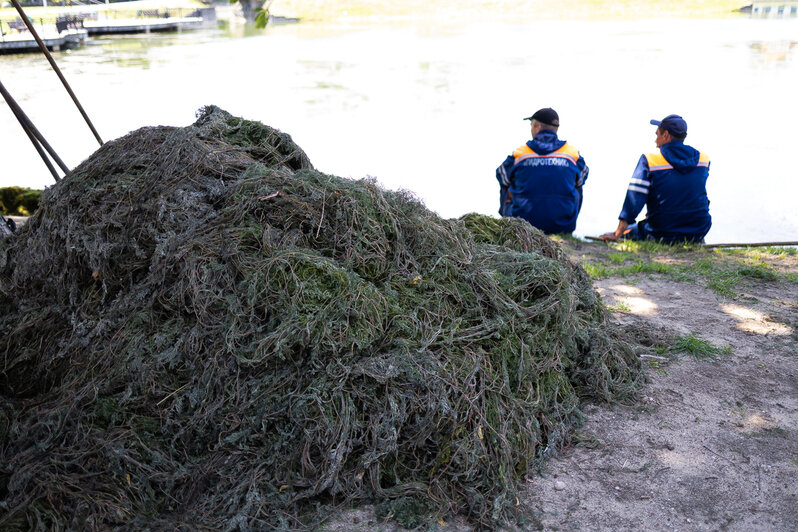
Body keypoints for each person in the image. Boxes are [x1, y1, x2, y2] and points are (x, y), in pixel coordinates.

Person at [601, 114, 711, 243]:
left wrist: (617, 234)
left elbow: (634, 199)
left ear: (666, 135)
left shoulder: (650, 160)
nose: (655, 140)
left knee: (630, 231)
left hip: (661, 231)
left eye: (657, 134)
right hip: (698, 229)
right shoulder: (703, 159)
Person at [496, 108, 589, 234]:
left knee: (507, 181)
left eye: (531, 125)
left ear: (537, 126)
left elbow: (501, 175)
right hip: (562, 225)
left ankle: (509, 225)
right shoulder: (572, 154)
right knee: (577, 184)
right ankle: (565, 226)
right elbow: (583, 176)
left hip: (523, 225)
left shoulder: (520, 154)